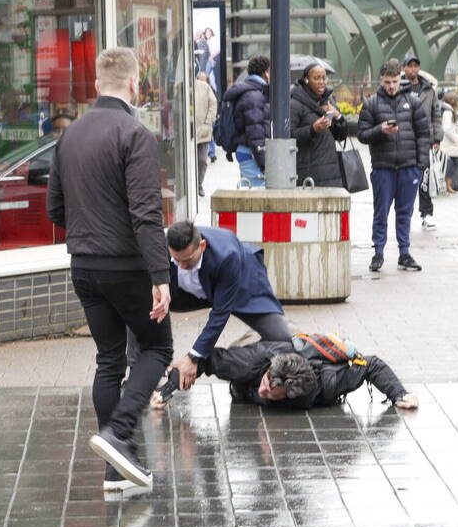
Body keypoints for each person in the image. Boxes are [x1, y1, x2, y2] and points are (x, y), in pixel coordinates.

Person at [47, 47, 173, 490]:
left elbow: (55, 208)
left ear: (98, 84)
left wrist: (90, 229)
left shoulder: (70, 135)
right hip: (127, 267)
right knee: (157, 349)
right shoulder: (134, 134)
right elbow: (146, 214)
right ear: (135, 84)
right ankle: (118, 434)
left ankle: (116, 470)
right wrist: (161, 276)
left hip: (84, 266)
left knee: (108, 360)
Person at [162, 220, 291, 392]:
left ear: (202, 246)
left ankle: (243, 351)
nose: (182, 266)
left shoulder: (227, 255)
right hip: (192, 292)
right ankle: (144, 363)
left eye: (187, 260)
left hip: (242, 287)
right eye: (176, 260)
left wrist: (194, 357)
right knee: (147, 302)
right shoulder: (160, 245)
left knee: (282, 340)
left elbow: (220, 314)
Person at [152, 338, 419, 411]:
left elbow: (371, 364)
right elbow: (202, 361)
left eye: (272, 393)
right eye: (266, 384)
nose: (264, 390)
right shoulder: (251, 364)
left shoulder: (329, 382)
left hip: (301, 359)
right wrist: (166, 390)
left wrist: (400, 395)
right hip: (258, 347)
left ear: (291, 396)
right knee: (248, 356)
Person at [358, 58, 431, 273]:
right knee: (380, 212)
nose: (391, 86)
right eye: (387, 82)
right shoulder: (371, 104)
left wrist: (420, 165)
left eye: (395, 81)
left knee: (404, 212)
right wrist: (380, 130)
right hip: (383, 168)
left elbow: (423, 134)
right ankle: (378, 252)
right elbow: (362, 135)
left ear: (400, 79)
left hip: (408, 167)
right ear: (381, 80)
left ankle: (404, 253)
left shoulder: (413, 101)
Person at [399, 55, 443, 229]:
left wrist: (437, 138)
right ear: (403, 68)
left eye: (416, 65)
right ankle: (405, 214)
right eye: (409, 66)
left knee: (424, 178)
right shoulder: (398, 88)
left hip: (424, 139)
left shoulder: (428, 89)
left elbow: (436, 114)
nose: (413, 69)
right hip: (403, 139)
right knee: (406, 180)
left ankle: (427, 213)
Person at [290, 63, 348, 187]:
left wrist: (338, 115)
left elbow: (341, 136)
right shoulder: (295, 103)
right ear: (306, 80)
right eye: (316, 78)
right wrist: (313, 129)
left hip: (332, 171)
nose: (322, 82)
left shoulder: (328, 101)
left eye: (324, 78)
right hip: (308, 173)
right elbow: (290, 136)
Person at [224, 55, 271, 187]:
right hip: (252, 154)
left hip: (248, 151)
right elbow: (255, 133)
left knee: (250, 190)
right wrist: (264, 164)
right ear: (266, 72)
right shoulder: (253, 96)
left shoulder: (252, 91)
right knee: (256, 193)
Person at [195, 72, 217, 197]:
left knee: (202, 160)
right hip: (188, 133)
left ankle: (199, 184)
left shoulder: (204, 87)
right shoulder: (181, 86)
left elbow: (213, 104)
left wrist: (208, 122)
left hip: (202, 131)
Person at [439, 91, 458, 195]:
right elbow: (446, 128)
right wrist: (457, 139)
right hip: (449, 143)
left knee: (453, 162)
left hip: (449, 143)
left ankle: (447, 185)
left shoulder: (448, 111)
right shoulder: (448, 113)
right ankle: (446, 185)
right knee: (452, 163)